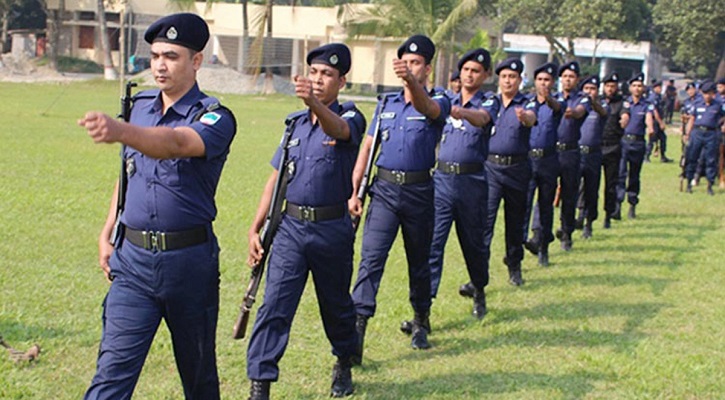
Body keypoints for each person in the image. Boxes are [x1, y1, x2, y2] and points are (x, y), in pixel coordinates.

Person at [78, 13, 237, 400]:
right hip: (133, 264)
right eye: (155, 56)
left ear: (196, 61)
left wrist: (120, 130)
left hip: (189, 265)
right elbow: (128, 173)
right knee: (111, 375)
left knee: (199, 380)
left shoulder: (215, 117)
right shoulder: (140, 107)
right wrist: (108, 229)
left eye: (171, 56)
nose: (160, 65)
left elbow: (177, 144)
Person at [245, 43, 366, 400]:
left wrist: (313, 103)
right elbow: (276, 178)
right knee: (275, 306)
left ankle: (344, 360)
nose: (318, 79)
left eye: (327, 74)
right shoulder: (295, 125)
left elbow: (340, 130)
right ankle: (260, 383)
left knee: (336, 305)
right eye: (313, 72)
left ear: (341, 81)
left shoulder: (351, 116)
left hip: (331, 229)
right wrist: (255, 227)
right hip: (291, 229)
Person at [349, 34, 450, 361]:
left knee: (418, 261)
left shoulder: (440, 100)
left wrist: (411, 83)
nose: (409, 67)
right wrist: (355, 191)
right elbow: (368, 146)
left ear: (427, 69)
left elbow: (428, 108)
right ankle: (357, 331)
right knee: (371, 259)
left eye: (416, 63)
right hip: (384, 191)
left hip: (419, 192)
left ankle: (420, 319)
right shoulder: (386, 104)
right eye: (405, 62)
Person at [425, 48, 496, 321]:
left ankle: (478, 289)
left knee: (473, 244)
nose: (469, 75)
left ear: (485, 75)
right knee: (433, 244)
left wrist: (459, 112)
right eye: (466, 69)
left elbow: (482, 119)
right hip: (442, 180)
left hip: (471, 182)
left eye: (476, 71)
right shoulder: (445, 99)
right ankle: (424, 310)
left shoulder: (488, 101)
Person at [482, 57, 537, 285]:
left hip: (517, 169)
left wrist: (525, 118)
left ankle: (514, 266)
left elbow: (532, 118)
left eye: (512, 77)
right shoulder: (490, 103)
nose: (507, 81)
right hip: (491, 169)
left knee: (515, 222)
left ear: (520, 79)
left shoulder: (527, 102)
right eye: (504, 76)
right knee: (485, 222)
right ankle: (479, 271)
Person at [522, 62, 564, 267]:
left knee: (546, 205)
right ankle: (521, 245)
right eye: (539, 79)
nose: (543, 83)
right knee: (523, 204)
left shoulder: (557, 103)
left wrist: (548, 98)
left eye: (547, 80)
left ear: (552, 82)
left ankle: (543, 248)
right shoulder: (527, 103)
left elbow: (557, 108)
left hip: (548, 160)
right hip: (528, 159)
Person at [554, 61, 590, 251]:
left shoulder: (582, 99)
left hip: (570, 151)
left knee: (569, 194)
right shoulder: (553, 98)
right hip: (551, 151)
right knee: (545, 193)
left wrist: (571, 112)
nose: (568, 80)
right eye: (565, 76)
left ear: (577, 79)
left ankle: (566, 232)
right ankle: (539, 233)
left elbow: (579, 112)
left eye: (571, 77)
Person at [574, 75, 609, 238]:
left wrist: (592, 103)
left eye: (593, 89)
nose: (589, 92)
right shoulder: (577, 107)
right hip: (577, 153)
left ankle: (589, 222)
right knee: (574, 188)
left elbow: (603, 112)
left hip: (593, 154)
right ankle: (576, 218)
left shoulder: (601, 107)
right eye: (586, 89)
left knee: (591, 189)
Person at [617, 72, 654, 219]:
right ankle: (617, 205)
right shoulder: (624, 103)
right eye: (634, 85)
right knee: (620, 174)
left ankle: (632, 204)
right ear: (630, 88)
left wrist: (651, 129)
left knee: (634, 175)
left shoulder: (647, 105)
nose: (637, 88)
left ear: (643, 88)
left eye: (640, 85)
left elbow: (649, 119)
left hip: (638, 143)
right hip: (623, 142)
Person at [684, 81, 725, 195]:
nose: (707, 96)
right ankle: (689, 183)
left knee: (711, 160)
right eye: (705, 93)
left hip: (711, 133)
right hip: (697, 132)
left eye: (709, 93)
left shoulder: (718, 105)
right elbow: (692, 119)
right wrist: (687, 133)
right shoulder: (697, 104)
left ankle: (710, 185)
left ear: (713, 94)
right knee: (692, 157)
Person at [599, 72, 629, 228]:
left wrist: (625, 119)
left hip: (613, 147)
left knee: (611, 184)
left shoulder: (621, 103)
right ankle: (585, 214)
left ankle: (608, 215)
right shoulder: (597, 101)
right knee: (588, 184)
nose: (610, 89)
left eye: (613, 86)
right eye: (608, 86)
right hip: (596, 147)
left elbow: (625, 114)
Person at [645, 81, 672, 163]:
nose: (660, 89)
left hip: (658, 121)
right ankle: (646, 156)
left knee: (663, 138)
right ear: (655, 88)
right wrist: (660, 123)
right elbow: (654, 111)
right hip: (654, 122)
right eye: (659, 87)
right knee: (652, 139)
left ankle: (663, 156)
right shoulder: (653, 97)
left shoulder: (659, 97)